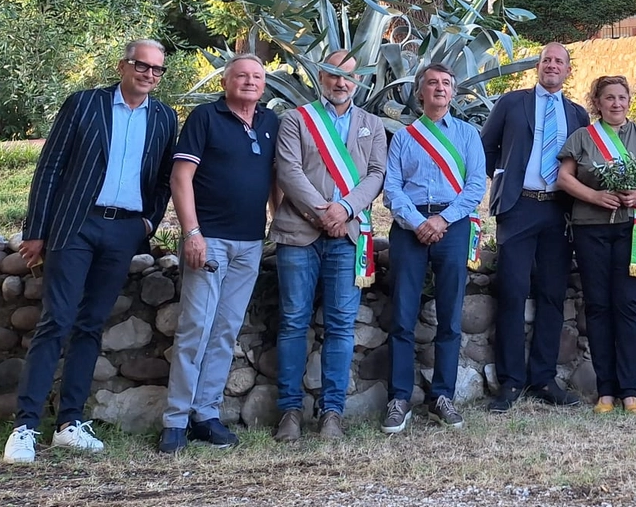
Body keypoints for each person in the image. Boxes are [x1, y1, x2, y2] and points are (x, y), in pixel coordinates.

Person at [2, 40, 180, 464]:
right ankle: (24, 427)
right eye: (143, 66)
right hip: (76, 224)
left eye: (158, 70)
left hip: (123, 231)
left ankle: (69, 424)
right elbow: (51, 167)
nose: (150, 75)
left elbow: (161, 179)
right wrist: (37, 229)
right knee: (57, 321)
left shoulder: (164, 117)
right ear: (123, 65)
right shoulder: (84, 104)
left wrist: (146, 224)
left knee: (91, 325)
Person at [159, 54, 279, 453]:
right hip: (209, 241)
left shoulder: (270, 123)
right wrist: (192, 232)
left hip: (250, 243)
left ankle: (205, 415)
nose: (249, 81)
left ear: (264, 84)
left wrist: (276, 224)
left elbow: (276, 180)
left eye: (257, 76)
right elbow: (181, 177)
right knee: (196, 327)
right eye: (241, 75)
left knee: (225, 331)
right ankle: (175, 420)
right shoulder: (205, 118)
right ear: (226, 81)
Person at [270, 50, 387, 442]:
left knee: (341, 326)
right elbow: (288, 170)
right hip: (298, 235)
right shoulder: (296, 120)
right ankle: (289, 411)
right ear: (322, 76)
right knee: (292, 322)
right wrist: (322, 213)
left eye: (349, 77)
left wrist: (346, 209)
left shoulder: (372, 124)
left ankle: (332, 412)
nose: (341, 83)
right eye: (334, 75)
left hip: (347, 237)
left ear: (359, 81)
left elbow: (376, 174)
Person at [556, 75, 636, 413]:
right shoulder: (582, 138)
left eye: (622, 97)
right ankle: (605, 390)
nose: (616, 103)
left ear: (629, 100)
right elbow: (564, 178)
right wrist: (594, 195)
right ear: (598, 102)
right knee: (598, 305)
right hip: (590, 228)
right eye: (609, 98)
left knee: (630, 305)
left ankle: (630, 389)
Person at [381, 64, 488, 433]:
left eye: (446, 83)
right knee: (402, 316)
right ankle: (398, 398)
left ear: (453, 93)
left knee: (450, 315)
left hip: (453, 226)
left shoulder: (468, 134)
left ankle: (442, 396)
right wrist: (417, 222)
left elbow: (476, 186)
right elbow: (391, 190)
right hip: (409, 229)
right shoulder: (404, 137)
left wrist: (442, 221)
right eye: (432, 83)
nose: (439, 88)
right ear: (419, 93)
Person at [481, 42, 588, 412]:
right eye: (547, 60)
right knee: (511, 292)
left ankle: (543, 378)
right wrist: (501, 178)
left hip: (559, 211)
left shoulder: (577, 114)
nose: (552, 66)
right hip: (519, 206)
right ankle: (510, 383)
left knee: (551, 294)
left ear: (568, 71)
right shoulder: (512, 103)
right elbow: (486, 147)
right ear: (537, 67)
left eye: (559, 61)